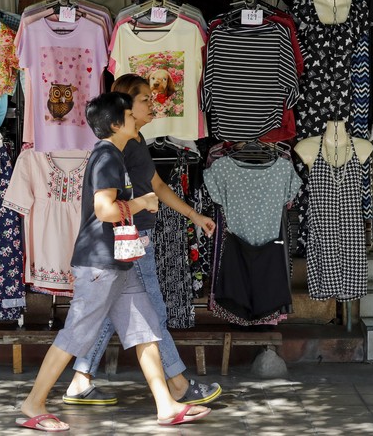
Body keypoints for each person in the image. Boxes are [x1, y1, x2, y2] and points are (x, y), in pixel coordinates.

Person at [17, 92, 212, 432]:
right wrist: (142, 203)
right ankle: (33, 403)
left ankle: (166, 405)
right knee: (77, 334)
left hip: (120, 261)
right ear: (116, 123)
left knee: (146, 329)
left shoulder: (116, 155)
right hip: (100, 264)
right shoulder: (107, 157)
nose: (139, 115)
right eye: (131, 112)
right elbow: (105, 210)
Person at [63, 74, 221, 407]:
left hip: (133, 236)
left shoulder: (134, 140)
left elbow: (159, 187)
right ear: (125, 106)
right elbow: (131, 197)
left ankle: (81, 379)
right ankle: (176, 384)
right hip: (130, 237)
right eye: (145, 99)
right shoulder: (123, 145)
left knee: (117, 312)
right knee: (150, 311)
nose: (153, 104)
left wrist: (193, 215)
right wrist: (155, 209)